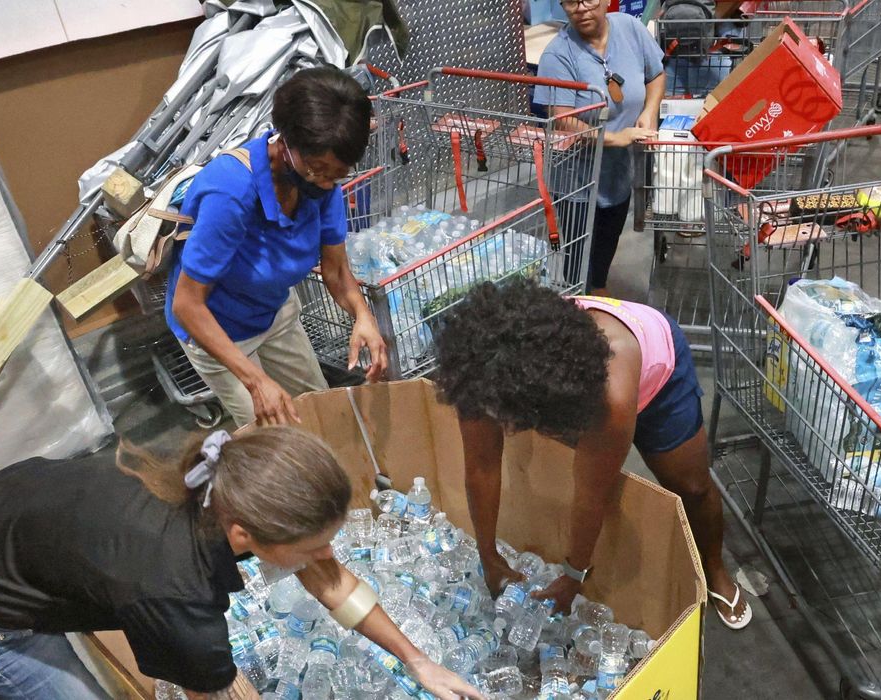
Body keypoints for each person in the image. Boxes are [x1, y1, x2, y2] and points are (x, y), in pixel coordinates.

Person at [0, 427, 483, 700]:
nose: (327, 555)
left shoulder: (217, 479)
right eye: (313, 546)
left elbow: (328, 581)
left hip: (7, 529)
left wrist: (418, 662)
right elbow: (219, 693)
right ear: (245, 534)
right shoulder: (173, 588)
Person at [434, 280, 751, 630]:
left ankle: (716, 569)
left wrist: (574, 575)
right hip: (568, 390)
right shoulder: (481, 369)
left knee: (691, 486)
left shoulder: (609, 391)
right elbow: (481, 466)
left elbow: (591, 494)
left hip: (657, 375)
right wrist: (488, 555)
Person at [169, 66, 389, 428]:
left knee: (319, 411)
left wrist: (363, 317)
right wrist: (256, 382)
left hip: (274, 310)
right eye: (318, 168)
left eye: (338, 173)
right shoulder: (232, 191)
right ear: (285, 142)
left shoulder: (323, 185)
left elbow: (335, 271)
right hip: (220, 328)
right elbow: (187, 304)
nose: (327, 181)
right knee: (274, 438)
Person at [535, 0, 666, 296]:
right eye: (570, 2)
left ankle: (599, 290)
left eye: (589, 0)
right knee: (579, 259)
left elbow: (656, 75)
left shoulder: (629, 29)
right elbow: (562, 117)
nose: (581, 8)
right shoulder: (559, 54)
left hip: (618, 172)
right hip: (575, 178)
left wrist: (649, 111)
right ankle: (585, 305)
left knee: (608, 241)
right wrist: (615, 137)